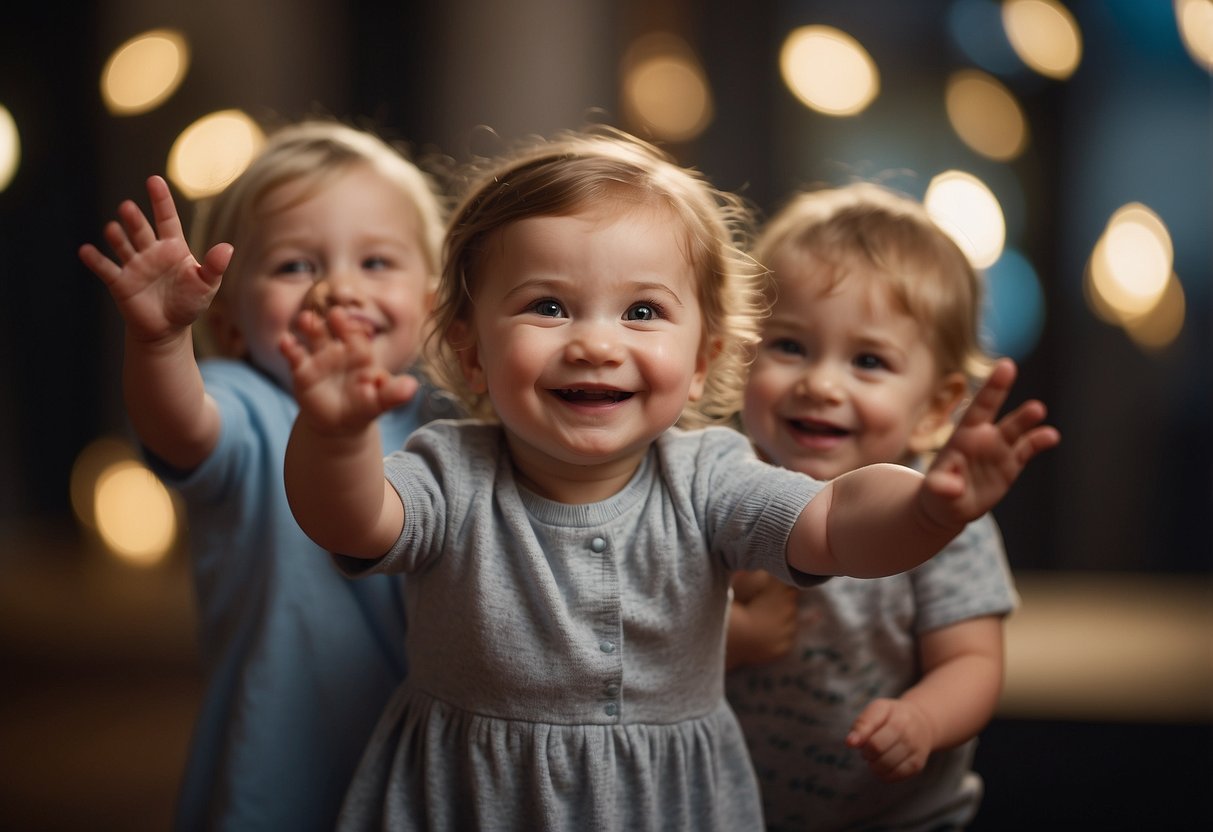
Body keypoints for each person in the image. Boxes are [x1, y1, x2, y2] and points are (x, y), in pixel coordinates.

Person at [278, 129, 1059, 831]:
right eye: (548, 306)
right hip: (470, 799)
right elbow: (351, 522)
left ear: (703, 363)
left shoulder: (711, 477)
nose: (594, 343)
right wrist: (335, 434)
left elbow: (833, 521)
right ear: (471, 349)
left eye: (642, 313)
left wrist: (927, 508)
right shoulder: (449, 468)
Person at [78, 120, 457, 831]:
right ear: (228, 326)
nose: (339, 288)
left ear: (431, 307)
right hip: (282, 774)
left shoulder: (447, 421)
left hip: (427, 779)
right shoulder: (249, 407)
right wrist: (160, 343)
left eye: (376, 262)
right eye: (294, 266)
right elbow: (182, 426)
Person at [725, 181, 1029, 831]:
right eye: (788, 346)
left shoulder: (942, 516)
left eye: (867, 360)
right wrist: (732, 641)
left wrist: (922, 717)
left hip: (892, 818)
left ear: (936, 409)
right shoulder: (721, 484)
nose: (820, 383)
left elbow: (972, 661)